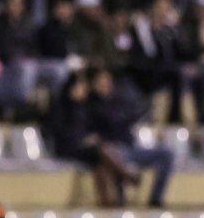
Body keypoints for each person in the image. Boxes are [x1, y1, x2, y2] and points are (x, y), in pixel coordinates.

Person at [45, 73, 141, 207]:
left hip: (84, 148)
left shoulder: (85, 108)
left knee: (99, 162)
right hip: (66, 147)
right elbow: (58, 131)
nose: (83, 89)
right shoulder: (61, 108)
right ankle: (127, 175)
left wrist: (91, 137)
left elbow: (92, 129)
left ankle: (107, 203)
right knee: (99, 151)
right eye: (80, 86)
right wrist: (81, 139)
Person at [89, 69, 174, 208]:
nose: (105, 84)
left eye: (107, 80)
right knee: (114, 157)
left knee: (167, 154)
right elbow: (109, 124)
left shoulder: (118, 100)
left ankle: (156, 199)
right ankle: (123, 195)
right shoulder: (92, 105)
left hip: (131, 147)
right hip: (113, 148)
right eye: (101, 81)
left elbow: (131, 115)